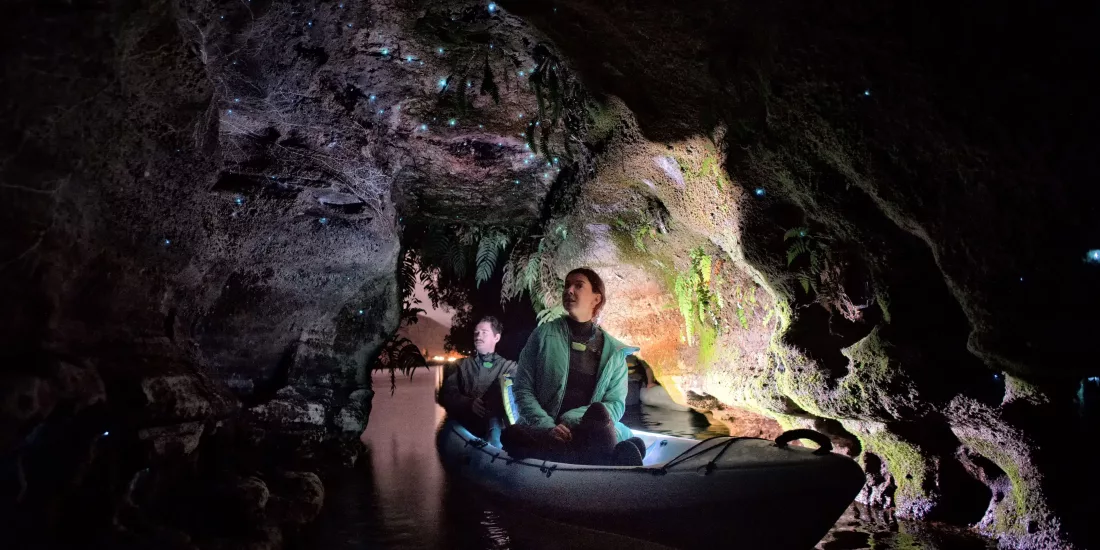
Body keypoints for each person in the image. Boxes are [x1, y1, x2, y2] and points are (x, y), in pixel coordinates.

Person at [501, 267, 647, 466]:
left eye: (578, 285)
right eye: (566, 285)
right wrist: (548, 426)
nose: (569, 290)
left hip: (588, 429)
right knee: (512, 434)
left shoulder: (614, 351)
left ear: (596, 298)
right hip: (548, 430)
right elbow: (523, 388)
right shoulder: (543, 335)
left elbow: (615, 404)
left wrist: (571, 420)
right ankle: (603, 457)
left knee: (598, 412)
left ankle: (579, 454)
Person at [439, 316, 517, 444]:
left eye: (484, 333)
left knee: (503, 385)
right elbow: (447, 395)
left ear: (496, 338)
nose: (478, 336)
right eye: (476, 333)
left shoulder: (509, 366)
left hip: (499, 426)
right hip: (468, 429)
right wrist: (469, 403)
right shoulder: (460, 366)